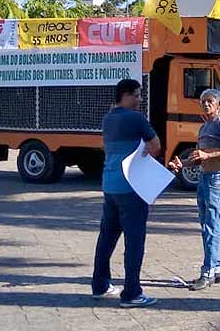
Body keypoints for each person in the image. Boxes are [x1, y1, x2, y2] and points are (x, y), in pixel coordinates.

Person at [91, 79, 162, 308]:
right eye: (137, 95)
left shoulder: (108, 118)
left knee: (107, 237)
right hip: (132, 187)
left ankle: (100, 285)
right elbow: (156, 145)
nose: (140, 100)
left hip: (110, 185)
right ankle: (131, 293)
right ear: (126, 95)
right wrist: (145, 152)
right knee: (134, 241)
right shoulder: (136, 118)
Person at [168, 89, 220, 291]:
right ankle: (216, 268)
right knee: (206, 224)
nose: (206, 104)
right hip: (204, 176)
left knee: (211, 225)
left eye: (210, 101)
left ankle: (207, 272)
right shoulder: (204, 126)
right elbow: (199, 157)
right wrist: (182, 164)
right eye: (203, 101)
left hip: (217, 178)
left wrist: (209, 156)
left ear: (219, 104)